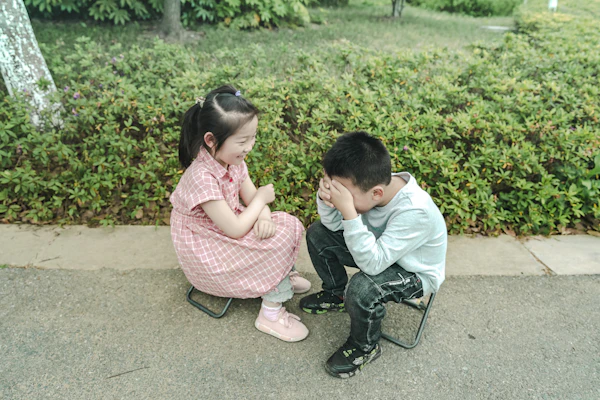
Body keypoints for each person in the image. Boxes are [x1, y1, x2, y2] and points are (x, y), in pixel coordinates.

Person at [299, 131, 447, 377]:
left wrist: (348, 211)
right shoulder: (367, 187)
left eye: (343, 194)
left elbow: (372, 264)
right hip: (376, 253)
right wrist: (327, 201)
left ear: (376, 193)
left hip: (413, 272)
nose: (339, 197)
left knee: (362, 287)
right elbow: (334, 227)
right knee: (318, 234)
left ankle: (365, 346)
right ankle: (336, 294)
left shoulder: (415, 211)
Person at [170, 84, 311, 342]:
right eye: (243, 140)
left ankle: (280, 277)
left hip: (227, 232)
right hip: (209, 253)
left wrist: (265, 215)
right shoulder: (201, 177)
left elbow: (251, 198)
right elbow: (235, 228)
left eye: (253, 137)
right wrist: (260, 202)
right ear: (211, 140)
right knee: (277, 241)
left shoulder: (232, 161)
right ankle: (270, 312)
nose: (250, 147)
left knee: (287, 224)